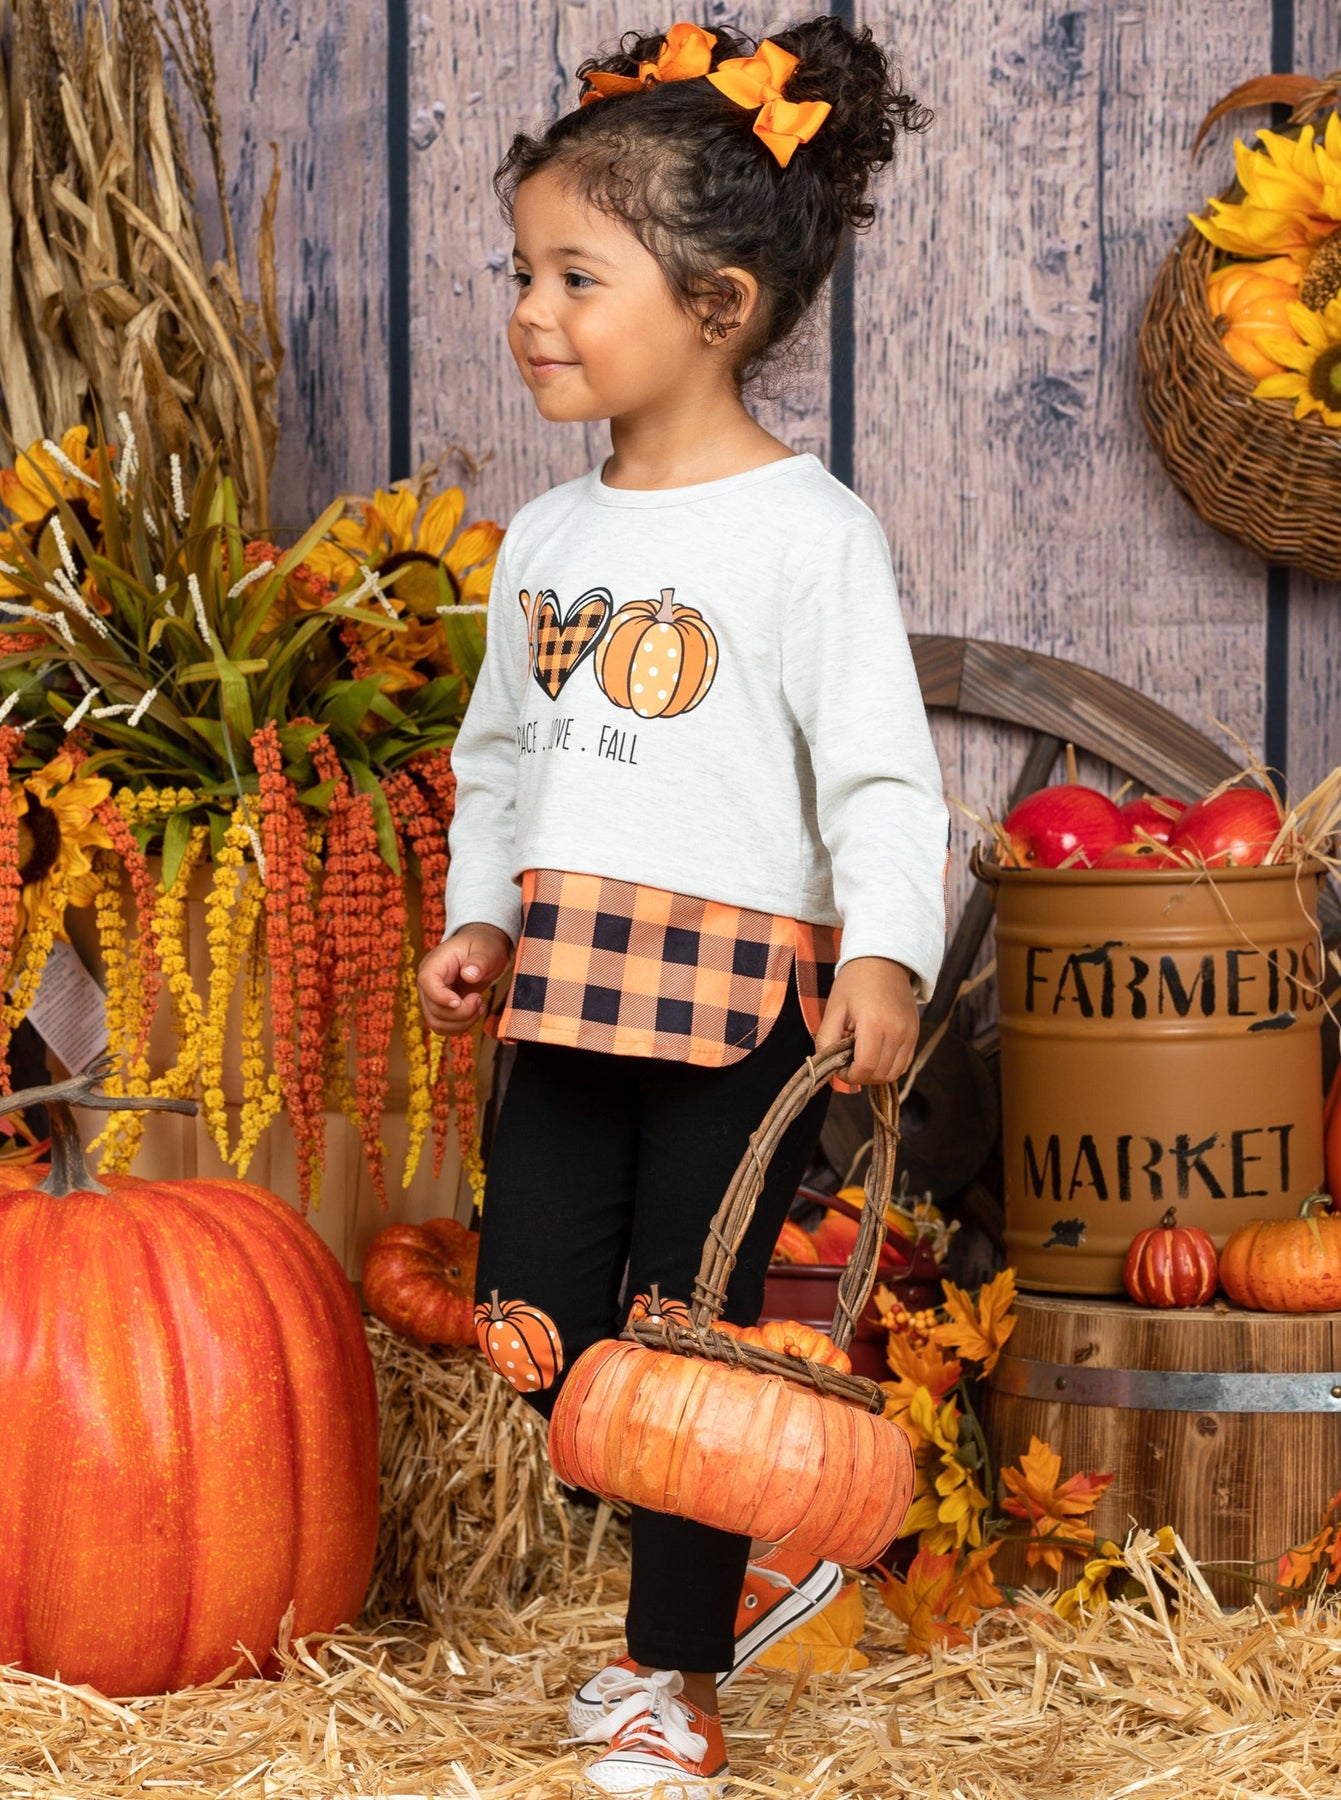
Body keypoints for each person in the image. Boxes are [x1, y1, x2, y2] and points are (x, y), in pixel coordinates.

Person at [418, 16, 946, 1796]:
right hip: (569, 994)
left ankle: (674, 1673)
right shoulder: (546, 542)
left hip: (738, 1014)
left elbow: (880, 779)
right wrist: (480, 918)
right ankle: (712, 1573)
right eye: (522, 273)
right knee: (536, 1325)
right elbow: (501, 759)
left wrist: (885, 951)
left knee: (689, 1353)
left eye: (577, 276)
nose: (531, 312)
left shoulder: (807, 535)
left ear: (715, 306)